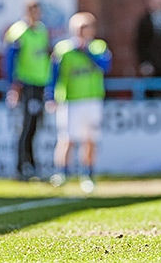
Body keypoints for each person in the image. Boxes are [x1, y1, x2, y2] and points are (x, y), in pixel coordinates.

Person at [46, 12, 112, 193]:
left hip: (92, 99)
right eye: (78, 28)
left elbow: (106, 66)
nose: (81, 32)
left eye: (85, 28)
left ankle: (87, 174)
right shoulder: (63, 49)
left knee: (90, 139)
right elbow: (53, 75)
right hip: (70, 100)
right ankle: (62, 172)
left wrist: (87, 51)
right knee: (67, 138)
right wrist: (50, 96)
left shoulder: (98, 47)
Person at [3, 0, 51, 181]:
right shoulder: (18, 31)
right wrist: (13, 85)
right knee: (26, 126)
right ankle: (22, 166)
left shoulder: (42, 31)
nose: (36, 13)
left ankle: (31, 164)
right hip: (26, 84)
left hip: (40, 83)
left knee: (36, 126)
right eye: (33, 9)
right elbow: (9, 60)